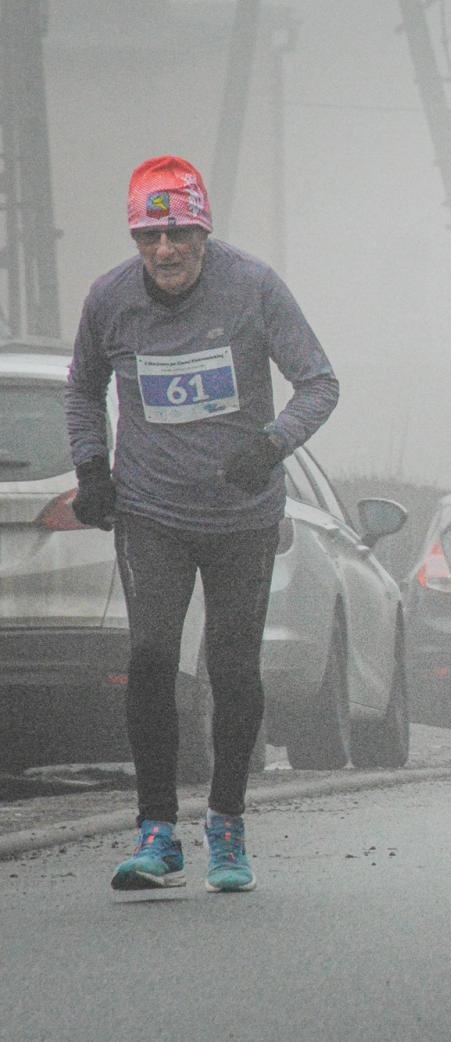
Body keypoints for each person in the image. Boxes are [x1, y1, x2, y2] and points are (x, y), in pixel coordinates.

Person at [64, 156, 339, 891]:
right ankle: (157, 831)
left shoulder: (253, 286)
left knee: (232, 665)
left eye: (179, 234)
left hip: (241, 514)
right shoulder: (110, 299)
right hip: (151, 510)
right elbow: (83, 389)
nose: (165, 251)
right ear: (135, 241)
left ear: (204, 233)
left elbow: (319, 382)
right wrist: (91, 467)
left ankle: (227, 823)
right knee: (153, 655)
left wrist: (271, 445)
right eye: (148, 238)